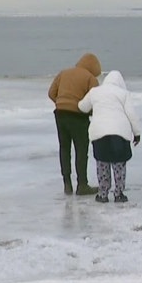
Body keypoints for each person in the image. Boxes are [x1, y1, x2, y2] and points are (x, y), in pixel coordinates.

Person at [78, 70, 142, 203]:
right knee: (119, 164)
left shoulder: (95, 92)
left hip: (99, 132)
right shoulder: (123, 94)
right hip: (119, 133)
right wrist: (137, 134)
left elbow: (82, 107)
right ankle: (119, 194)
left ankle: (103, 194)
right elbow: (132, 115)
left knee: (102, 163)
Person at [48, 52, 102, 196]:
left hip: (60, 114)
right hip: (78, 117)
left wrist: (62, 103)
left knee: (64, 148)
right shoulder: (90, 79)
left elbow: (51, 93)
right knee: (81, 150)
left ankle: (67, 183)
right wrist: (89, 113)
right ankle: (82, 185)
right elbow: (94, 101)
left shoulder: (64, 73)